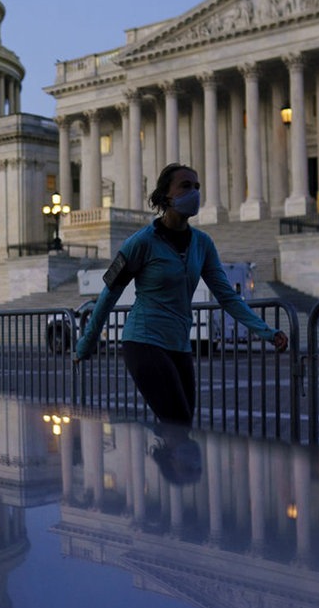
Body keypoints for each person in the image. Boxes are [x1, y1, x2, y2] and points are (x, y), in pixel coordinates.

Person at [74, 162, 288, 428]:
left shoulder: (203, 243)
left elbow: (228, 297)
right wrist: (87, 342)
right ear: (166, 195)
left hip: (180, 345)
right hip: (143, 341)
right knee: (177, 421)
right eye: (186, 186)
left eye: (197, 187)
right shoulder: (140, 242)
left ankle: (163, 463)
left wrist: (266, 331)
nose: (194, 193)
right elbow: (109, 294)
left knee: (181, 425)